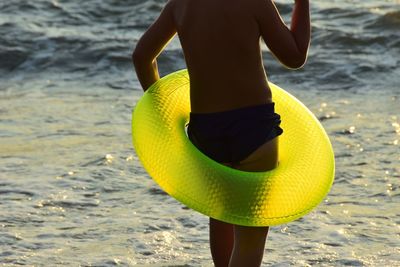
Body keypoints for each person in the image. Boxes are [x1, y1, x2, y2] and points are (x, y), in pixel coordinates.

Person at [132, 0, 310, 266]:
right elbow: (294, 57)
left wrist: (160, 105)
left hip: (206, 130)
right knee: (250, 236)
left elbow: (142, 56)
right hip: (253, 126)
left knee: (222, 216)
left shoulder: (180, 5)